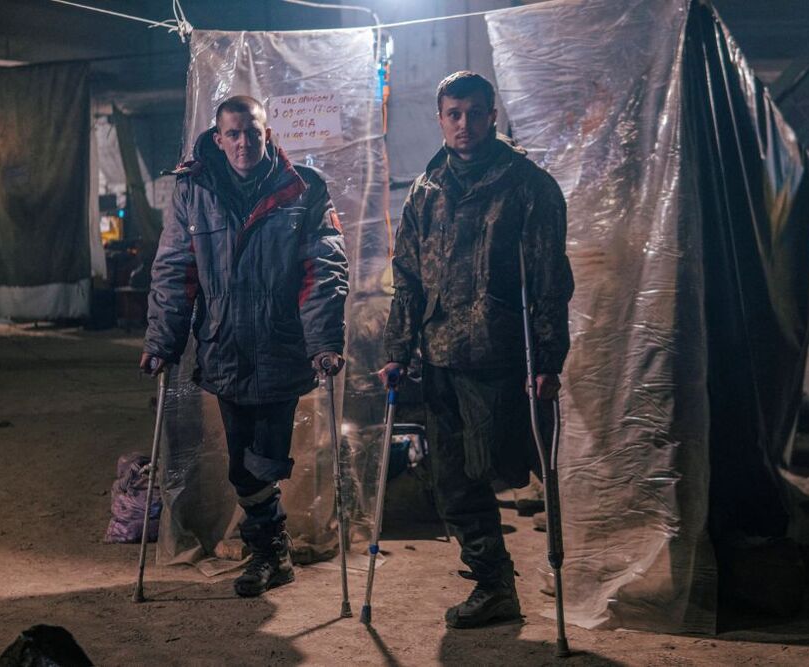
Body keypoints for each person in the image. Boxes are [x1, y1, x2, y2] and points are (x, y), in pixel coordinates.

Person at [379, 72, 573, 629]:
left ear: (492, 115)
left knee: (505, 466)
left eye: (474, 113)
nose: (464, 124)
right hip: (439, 355)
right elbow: (409, 278)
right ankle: (494, 586)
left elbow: (549, 281)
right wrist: (399, 348)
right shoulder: (426, 189)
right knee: (452, 480)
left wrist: (549, 358)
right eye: (453, 114)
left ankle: (545, 575)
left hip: (501, 355)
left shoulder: (528, 186)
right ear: (440, 118)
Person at [140, 95, 349, 597]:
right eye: (232, 134)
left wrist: (322, 341)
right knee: (242, 464)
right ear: (218, 138)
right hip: (226, 345)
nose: (242, 143)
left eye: (251, 133)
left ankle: (266, 552)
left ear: (268, 134)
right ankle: (271, 553)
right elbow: (175, 268)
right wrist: (162, 340)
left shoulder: (303, 188)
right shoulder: (194, 189)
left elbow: (323, 270)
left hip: (280, 345)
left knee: (264, 461)